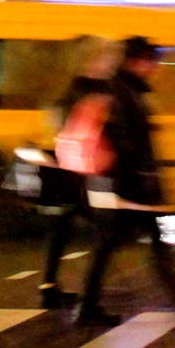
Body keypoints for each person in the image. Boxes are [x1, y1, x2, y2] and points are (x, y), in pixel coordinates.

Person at [74, 36, 175, 327]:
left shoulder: (128, 89)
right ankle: (89, 306)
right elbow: (124, 139)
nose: (154, 68)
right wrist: (140, 174)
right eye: (150, 61)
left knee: (132, 244)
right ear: (135, 61)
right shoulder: (121, 91)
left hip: (128, 181)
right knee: (115, 245)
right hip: (126, 183)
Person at [36, 37, 119, 310]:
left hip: (73, 167)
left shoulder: (77, 87)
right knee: (103, 228)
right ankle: (88, 295)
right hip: (77, 169)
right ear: (94, 59)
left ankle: (51, 287)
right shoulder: (85, 89)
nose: (111, 63)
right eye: (107, 57)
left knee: (63, 225)